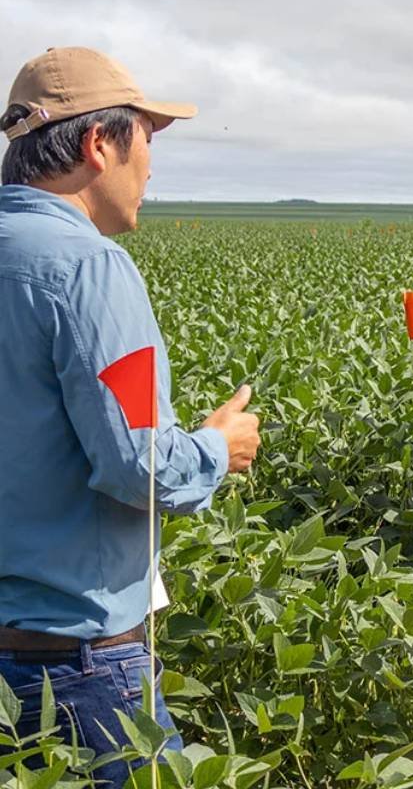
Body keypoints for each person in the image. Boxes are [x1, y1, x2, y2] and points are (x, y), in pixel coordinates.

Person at [0, 47, 262, 782]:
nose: (150, 168)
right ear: (98, 144)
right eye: (146, 140)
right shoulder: (89, 268)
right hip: (72, 671)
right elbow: (141, 463)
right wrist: (219, 446)